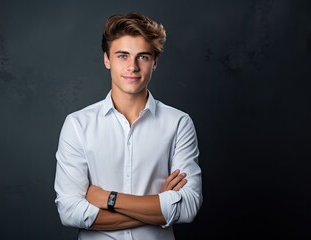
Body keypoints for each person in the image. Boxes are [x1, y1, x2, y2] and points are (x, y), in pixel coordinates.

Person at [54, 12, 203, 240]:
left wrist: (108, 198)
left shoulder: (178, 123)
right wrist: (158, 206)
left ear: (155, 61)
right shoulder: (77, 125)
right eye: (122, 56)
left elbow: (188, 207)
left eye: (142, 57)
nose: (132, 67)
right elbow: (70, 212)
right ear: (107, 60)